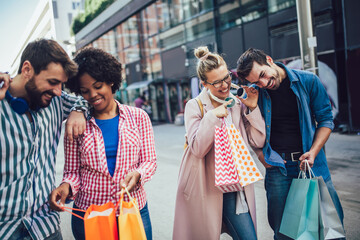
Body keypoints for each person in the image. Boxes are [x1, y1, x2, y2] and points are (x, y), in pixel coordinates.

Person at [48, 47, 157, 240]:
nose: (93, 95)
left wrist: (139, 174)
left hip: (133, 208)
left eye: (98, 86)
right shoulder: (75, 124)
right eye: (85, 91)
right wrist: (66, 186)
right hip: (90, 214)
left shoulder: (138, 117)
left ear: (110, 80)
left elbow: (149, 161)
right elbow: (72, 172)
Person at [236, 48, 345, 240]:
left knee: (330, 231)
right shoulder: (256, 94)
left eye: (263, 75)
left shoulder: (308, 81)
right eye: (256, 81)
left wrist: (313, 152)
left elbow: (326, 120)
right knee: (284, 233)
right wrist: (263, 157)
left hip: (313, 164)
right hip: (278, 169)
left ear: (269, 60)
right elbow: (250, 133)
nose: (263, 83)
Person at [173, 46, 266, 240]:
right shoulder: (195, 106)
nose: (224, 85)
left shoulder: (236, 103)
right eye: (217, 83)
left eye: (227, 78)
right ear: (204, 84)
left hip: (234, 186)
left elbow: (257, 140)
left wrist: (252, 108)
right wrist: (212, 117)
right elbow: (197, 148)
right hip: (206, 188)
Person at [0, 39, 87, 240]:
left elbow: (90, 100)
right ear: (27, 69)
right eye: (53, 82)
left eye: (61, 84)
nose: (58, 91)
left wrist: (78, 109)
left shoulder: (57, 101)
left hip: (46, 227)